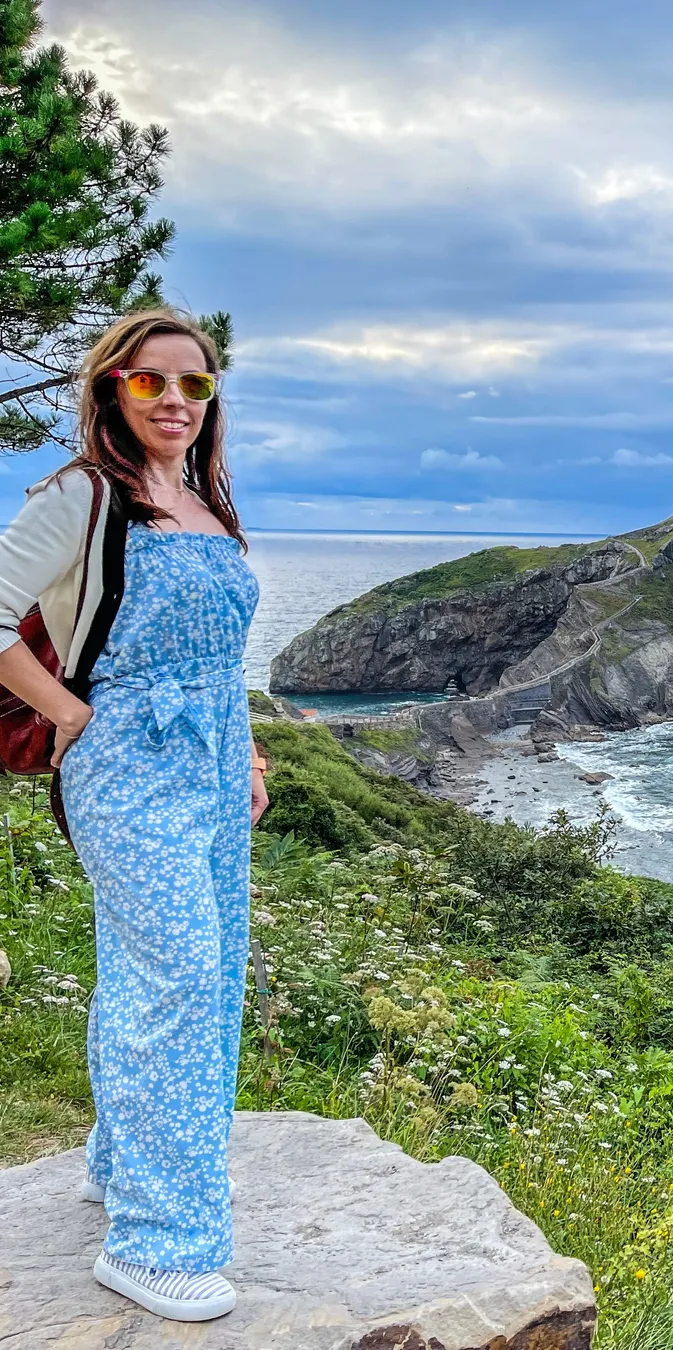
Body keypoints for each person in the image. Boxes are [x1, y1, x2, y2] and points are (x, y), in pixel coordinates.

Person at [0, 309, 268, 1323]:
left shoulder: (201, 499)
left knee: (169, 970)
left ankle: (124, 1166)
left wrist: (241, 744)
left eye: (192, 385)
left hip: (207, 776)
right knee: (184, 983)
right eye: (149, 382)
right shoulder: (83, 496)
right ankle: (156, 1242)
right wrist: (66, 709)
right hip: (124, 766)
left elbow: (217, 656)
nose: (172, 402)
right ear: (112, 388)